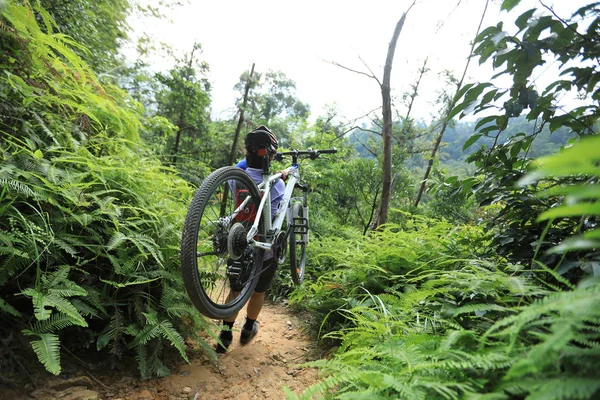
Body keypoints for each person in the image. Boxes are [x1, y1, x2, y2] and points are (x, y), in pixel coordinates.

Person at [216, 125, 288, 353]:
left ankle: (225, 335)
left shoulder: (237, 178)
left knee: (236, 289)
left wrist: (250, 155)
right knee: (258, 291)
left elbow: (240, 165)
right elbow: (279, 209)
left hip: (239, 244)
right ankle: (248, 328)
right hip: (264, 250)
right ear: (271, 156)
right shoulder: (278, 184)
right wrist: (282, 173)